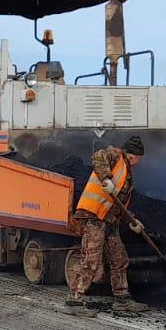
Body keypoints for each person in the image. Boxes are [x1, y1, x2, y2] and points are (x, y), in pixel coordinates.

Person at [63, 136, 150, 317]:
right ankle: (74, 301)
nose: (138, 164)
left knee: (120, 259)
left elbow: (120, 206)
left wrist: (133, 222)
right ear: (133, 156)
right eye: (138, 160)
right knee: (90, 260)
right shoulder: (115, 156)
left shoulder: (127, 174)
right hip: (94, 215)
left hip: (109, 221)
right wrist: (105, 178)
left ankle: (122, 300)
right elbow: (98, 156)